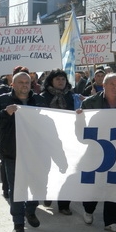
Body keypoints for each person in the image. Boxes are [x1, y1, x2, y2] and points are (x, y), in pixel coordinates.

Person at [0, 72, 47, 232]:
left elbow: (52, 124)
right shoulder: (2, 101)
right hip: (12, 153)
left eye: (27, 82)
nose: (24, 85)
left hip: (35, 153)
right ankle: (18, 223)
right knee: (17, 190)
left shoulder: (39, 101)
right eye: (20, 82)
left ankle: (30, 209)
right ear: (12, 84)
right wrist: (5, 113)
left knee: (37, 187)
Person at [78, 73, 116, 232]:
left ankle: (111, 221)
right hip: (95, 150)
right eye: (111, 84)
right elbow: (81, 126)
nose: (115, 87)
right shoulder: (91, 103)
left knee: (114, 186)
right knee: (95, 183)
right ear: (104, 86)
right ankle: (88, 209)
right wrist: (79, 117)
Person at [40, 69, 75, 215]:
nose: (61, 82)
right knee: (47, 169)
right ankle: (47, 194)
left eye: (63, 79)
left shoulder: (70, 97)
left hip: (66, 138)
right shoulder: (42, 97)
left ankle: (64, 204)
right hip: (47, 138)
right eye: (57, 79)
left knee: (65, 169)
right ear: (51, 81)